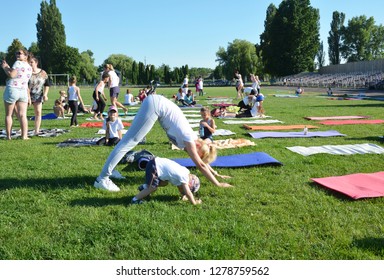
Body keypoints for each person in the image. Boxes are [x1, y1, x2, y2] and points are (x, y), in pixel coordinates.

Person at [94, 90, 232, 192]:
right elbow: (201, 165)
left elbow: (203, 164)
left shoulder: (192, 142)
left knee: (129, 141)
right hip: (155, 105)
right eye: (197, 153)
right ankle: (103, 178)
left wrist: (216, 174)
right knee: (130, 141)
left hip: (155, 104)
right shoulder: (190, 139)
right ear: (198, 145)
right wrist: (218, 184)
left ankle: (110, 172)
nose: (193, 156)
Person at [131, 156, 201, 205]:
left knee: (164, 183)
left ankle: (144, 187)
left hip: (156, 163)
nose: (183, 191)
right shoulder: (184, 177)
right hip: (154, 166)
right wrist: (194, 202)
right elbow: (188, 192)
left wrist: (183, 196)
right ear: (189, 185)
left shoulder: (185, 173)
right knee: (152, 188)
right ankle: (135, 200)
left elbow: (182, 188)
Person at [2, 49, 32, 140]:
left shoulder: (17, 63)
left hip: (13, 89)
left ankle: (8, 136)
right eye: (16, 53)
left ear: (25, 56)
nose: (17, 55)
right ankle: (24, 136)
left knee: (9, 114)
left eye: (20, 53)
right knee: (23, 115)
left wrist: (4, 67)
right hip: (23, 91)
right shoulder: (29, 67)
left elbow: (12, 75)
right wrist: (8, 67)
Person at [28, 56, 50, 135]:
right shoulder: (27, 72)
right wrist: (28, 97)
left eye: (31, 62)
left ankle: (36, 130)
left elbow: (47, 85)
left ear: (36, 63)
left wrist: (45, 94)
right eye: (29, 62)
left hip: (38, 95)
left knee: (38, 112)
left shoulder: (42, 72)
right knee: (22, 113)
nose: (30, 64)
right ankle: (22, 129)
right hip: (26, 94)